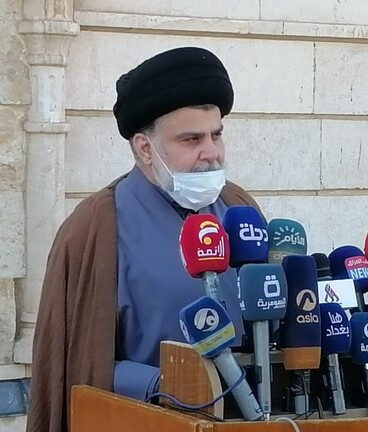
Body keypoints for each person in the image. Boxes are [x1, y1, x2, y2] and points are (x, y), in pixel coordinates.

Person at [26, 47, 263, 432]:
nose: (211, 153)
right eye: (191, 139)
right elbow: (76, 363)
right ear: (145, 148)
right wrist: (164, 382)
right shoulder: (94, 228)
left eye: (216, 135)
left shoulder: (237, 206)